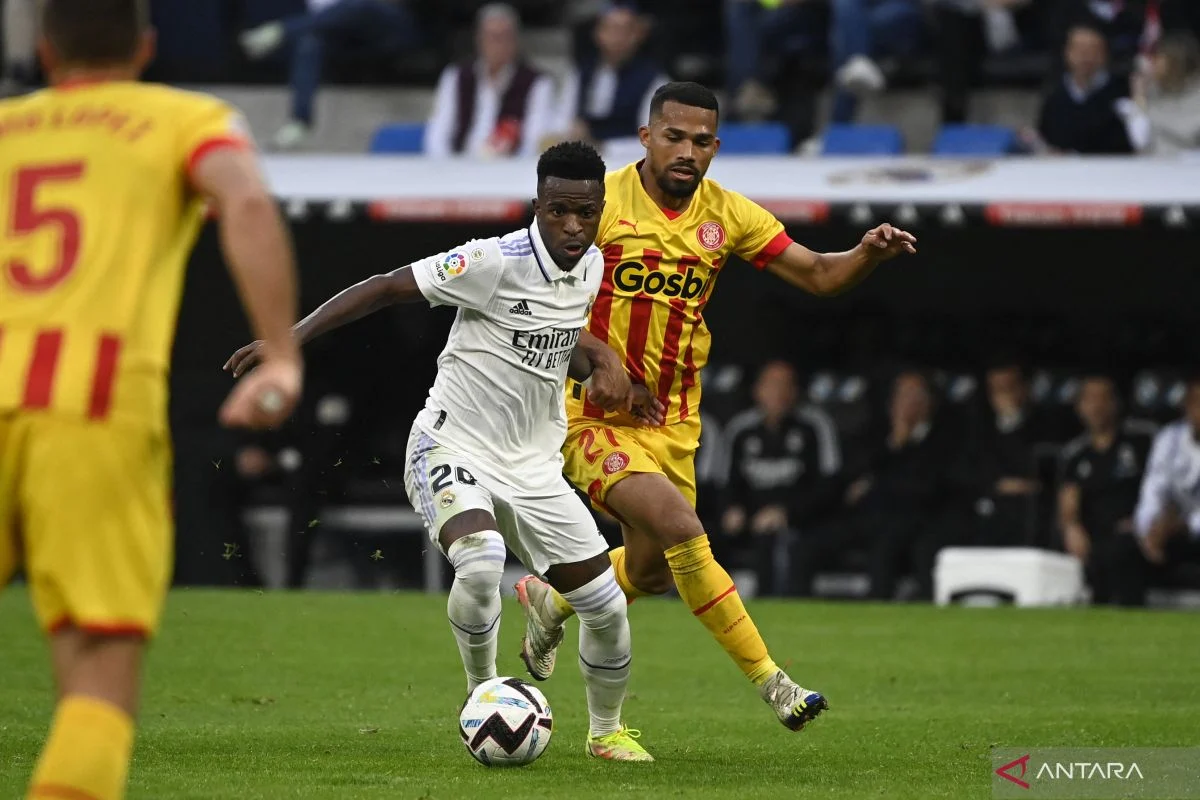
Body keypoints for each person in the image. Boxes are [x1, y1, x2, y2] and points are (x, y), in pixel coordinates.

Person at [226, 142, 662, 762]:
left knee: (606, 606)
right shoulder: (491, 260)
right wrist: (288, 341)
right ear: (536, 205)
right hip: (451, 441)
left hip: (534, 464)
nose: (572, 225)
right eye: (559, 210)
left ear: (599, 211)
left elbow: (559, 328)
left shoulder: (589, 265)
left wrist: (604, 359)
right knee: (481, 560)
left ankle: (606, 733)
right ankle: (480, 695)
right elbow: (383, 288)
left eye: (585, 212)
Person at [515, 81, 916, 732]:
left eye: (702, 141)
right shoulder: (598, 204)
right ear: (646, 137)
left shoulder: (728, 216)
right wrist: (601, 360)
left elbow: (817, 274)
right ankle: (775, 682)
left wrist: (865, 254)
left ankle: (552, 600)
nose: (687, 151)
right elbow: (534, 301)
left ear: (716, 148)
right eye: (674, 136)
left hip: (671, 421)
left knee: (647, 572)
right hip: (588, 414)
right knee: (682, 532)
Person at [0, 1, 304, 798]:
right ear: (146, 46)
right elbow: (243, 200)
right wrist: (279, 356)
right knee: (97, 666)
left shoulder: (6, 128)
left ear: (42, 49)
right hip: (90, 403)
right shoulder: (183, 118)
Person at [792, 370, 954, 600]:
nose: (907, 401)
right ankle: (798, 611)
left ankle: (879, 611)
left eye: (914, 394)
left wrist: (876, 484)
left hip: (913, 520)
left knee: (885, 549)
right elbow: (850, 475)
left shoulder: (942, 437)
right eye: (901, 394)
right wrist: (894, 445)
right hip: (867, 517)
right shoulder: (876, 434)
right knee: (806, 547)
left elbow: (929, 488)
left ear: (930, 401)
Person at [719, 360, 842, 597]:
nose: (779, 393)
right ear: (758, 390)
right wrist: (731, 508)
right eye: (772, 385)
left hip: (801, 522)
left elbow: (828, 487)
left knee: (786, 546)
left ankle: (779, 611)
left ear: (796, 391)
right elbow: (725, 482)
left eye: (786, 386)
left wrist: (786, 513)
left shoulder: (814, 427)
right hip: (750, 519)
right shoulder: (741, 429)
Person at [239, 0, 421, 151]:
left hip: (388, 28)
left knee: (356, 5)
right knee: (310, 43)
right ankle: (300, 121)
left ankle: (280, 31)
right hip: (344, 36)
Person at [1057, 375, 1156, 605]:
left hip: (1134, 530)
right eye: (1089, 400)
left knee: (1121, 549)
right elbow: (1068, 504)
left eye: (1103, 399)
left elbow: (1160, 486)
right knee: (1094, 552)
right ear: (1079, 407)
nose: (1096, 406)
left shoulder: (1142, 440)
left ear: (1116, 403)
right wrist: (1072, 528)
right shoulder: (1075, 454)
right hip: (1095, 534)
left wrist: (1142, 520)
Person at [423, 3, 556, 158]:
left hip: (509, 171)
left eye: (504, 37)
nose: (498, 45)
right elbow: (438, 134)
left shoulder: (537, 83)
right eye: (492, 37)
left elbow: (533, 141)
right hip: (458, 166)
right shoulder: (455, 76)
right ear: (479, 39)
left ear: (515, 40)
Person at [1129, 373, 1200, 605]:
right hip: (1170, 532)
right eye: (1196, 402)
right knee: (1121, 549)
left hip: (1189, 528)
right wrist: (1149, 527)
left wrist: (1183, 525)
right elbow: (1153, 489)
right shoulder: (1169, 438)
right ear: (1186, 406)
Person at [555, 2, 668, 147]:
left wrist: (604, 146)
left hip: (628, 163)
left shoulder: (653, 79)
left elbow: (652, 140)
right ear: (598, 33)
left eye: (625, 31)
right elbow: (562, 120)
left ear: (637, 35)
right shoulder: (581, 73)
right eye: (611, 29)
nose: (618, 38)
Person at [1028, 22, 1137, 155]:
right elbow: (1046, 139)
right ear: (1067, 53)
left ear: (1104, 54)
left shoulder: (1122, 92)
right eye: (1079, 49)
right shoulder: (1054, 95)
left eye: (1092, 50)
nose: (1085, 56)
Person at [1126, 31, 1200, 154]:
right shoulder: (1151, 91)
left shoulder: (1196, 93)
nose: (1151, 64)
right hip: (1152, 167)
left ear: (1175, 61)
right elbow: (1140, 141)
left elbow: (1187, 134)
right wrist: (1139, 96)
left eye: (1157, 58)